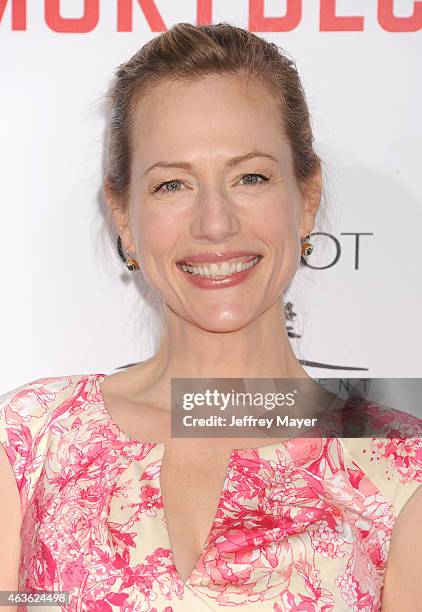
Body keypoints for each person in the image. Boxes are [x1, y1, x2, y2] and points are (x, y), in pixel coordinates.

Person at [0, 22, 421, 612]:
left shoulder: (399, 464)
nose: (215, 223)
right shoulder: (31, 441)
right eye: (172, 184)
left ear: (307, 198)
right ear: (123, 216)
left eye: (250, 176)